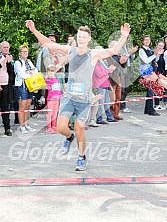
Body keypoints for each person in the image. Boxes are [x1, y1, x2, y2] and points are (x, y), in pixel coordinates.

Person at [25, 20, 130, 171]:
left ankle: (81, 157)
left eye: (83, 37)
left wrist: (124, 36)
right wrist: (34, 30)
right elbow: (49, 44)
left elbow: (113, 51)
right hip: (69, 97)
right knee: (61, 127)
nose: (81, 39)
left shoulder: (93, 54)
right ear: (77, 37)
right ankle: (69, 138)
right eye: (79, 36)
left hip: (84, 100)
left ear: (88, 39)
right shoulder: (71, 50)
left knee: (79, 128)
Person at [14, 45, 38, 133]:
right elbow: (22, 74)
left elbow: (36, 70)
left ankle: (26, 123)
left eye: (26, 51)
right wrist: (30, 73)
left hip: (30, 86)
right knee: (22, 105)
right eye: (23, 51)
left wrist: (29, 72)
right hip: (21, 86)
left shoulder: (29, 61)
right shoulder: (17, 63)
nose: (25, 53)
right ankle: (21, 125)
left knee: (28, 105)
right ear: (20, 53)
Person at [139, 35, 163, 116]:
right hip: (147, 72)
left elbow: (155, 60)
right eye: (145, 40)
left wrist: (158, 54)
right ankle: (150, 110)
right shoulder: (141, 50)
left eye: (148, 40)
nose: (147, 41)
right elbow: (146, 60)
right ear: (142, 41)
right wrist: (154, 55)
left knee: (150, 91)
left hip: (152, 71)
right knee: (150, 91)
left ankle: (148, 109)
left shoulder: (149, 49)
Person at [92, 59, 118, 124]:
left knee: (107, 101)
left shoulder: (102, 62)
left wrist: (110, 70)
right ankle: (99, 118)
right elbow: (98, 74)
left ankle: (110, 117)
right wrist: (108, 70)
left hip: (105, 83)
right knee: (101, 102)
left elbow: (106, 72)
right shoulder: (95, 63)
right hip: (99, 84)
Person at [0, 41, 14, 136]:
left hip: (6, 85)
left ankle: (7, 128)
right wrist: (2, 63)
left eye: (8, 47)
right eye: (4, 47)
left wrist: (9, 63)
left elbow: (11, 73)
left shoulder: (9, 57)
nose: (6, 49)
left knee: (5, 108)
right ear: (0, 48)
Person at [120, 44, 138, 113]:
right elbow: (122, 58)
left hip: (128, 68)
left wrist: (132, 53)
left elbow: (132, 58)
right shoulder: (119, 47)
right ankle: (121, 106)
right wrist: (130, 52)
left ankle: (123, 105)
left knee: (126, 88)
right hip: (122, 69)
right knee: (122, 89)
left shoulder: (127, 47)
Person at [45, 65, 62, 133]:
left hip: (57, 99)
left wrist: (60, 96)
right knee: (50, 113)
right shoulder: (47, 80)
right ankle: (49, 127)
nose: (51, 73)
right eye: (49, 71)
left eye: (52, 71)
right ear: (47, 72)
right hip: (50, 99)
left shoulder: (57, 80)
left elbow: (59, 89)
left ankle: (54, 125)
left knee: (55, 113)